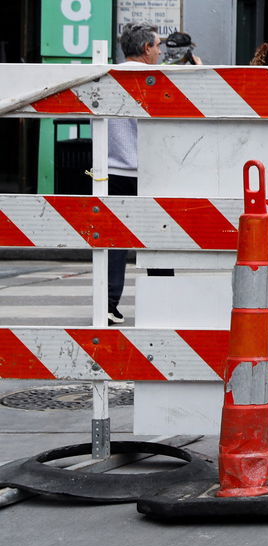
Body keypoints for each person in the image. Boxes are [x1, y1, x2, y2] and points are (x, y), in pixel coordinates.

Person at [106, 25, 162, 323]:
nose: (160, 51)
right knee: (158, 234)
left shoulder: (106, 77)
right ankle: (163, 295)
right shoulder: (148, 81)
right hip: (144, 170)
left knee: (115, 240)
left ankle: (109, 301)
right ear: (145, 49)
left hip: (111, 169)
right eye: (157, 46)